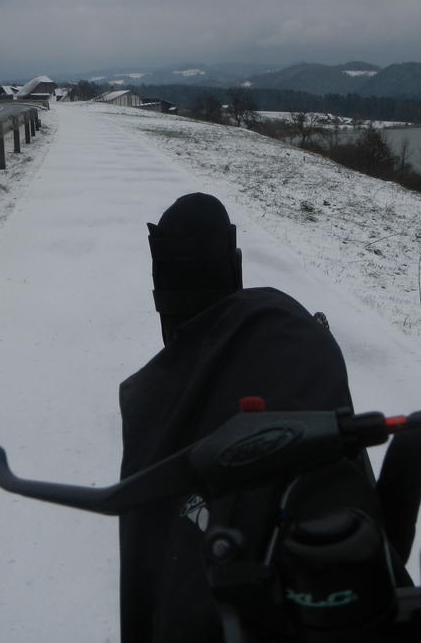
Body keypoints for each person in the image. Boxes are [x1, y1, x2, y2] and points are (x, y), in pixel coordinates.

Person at [117, 193, 390, 642]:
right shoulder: (298, 338)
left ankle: (192, 346)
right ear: (234, 264)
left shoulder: (152, 399)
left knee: (167, 414)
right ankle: (217, 329)